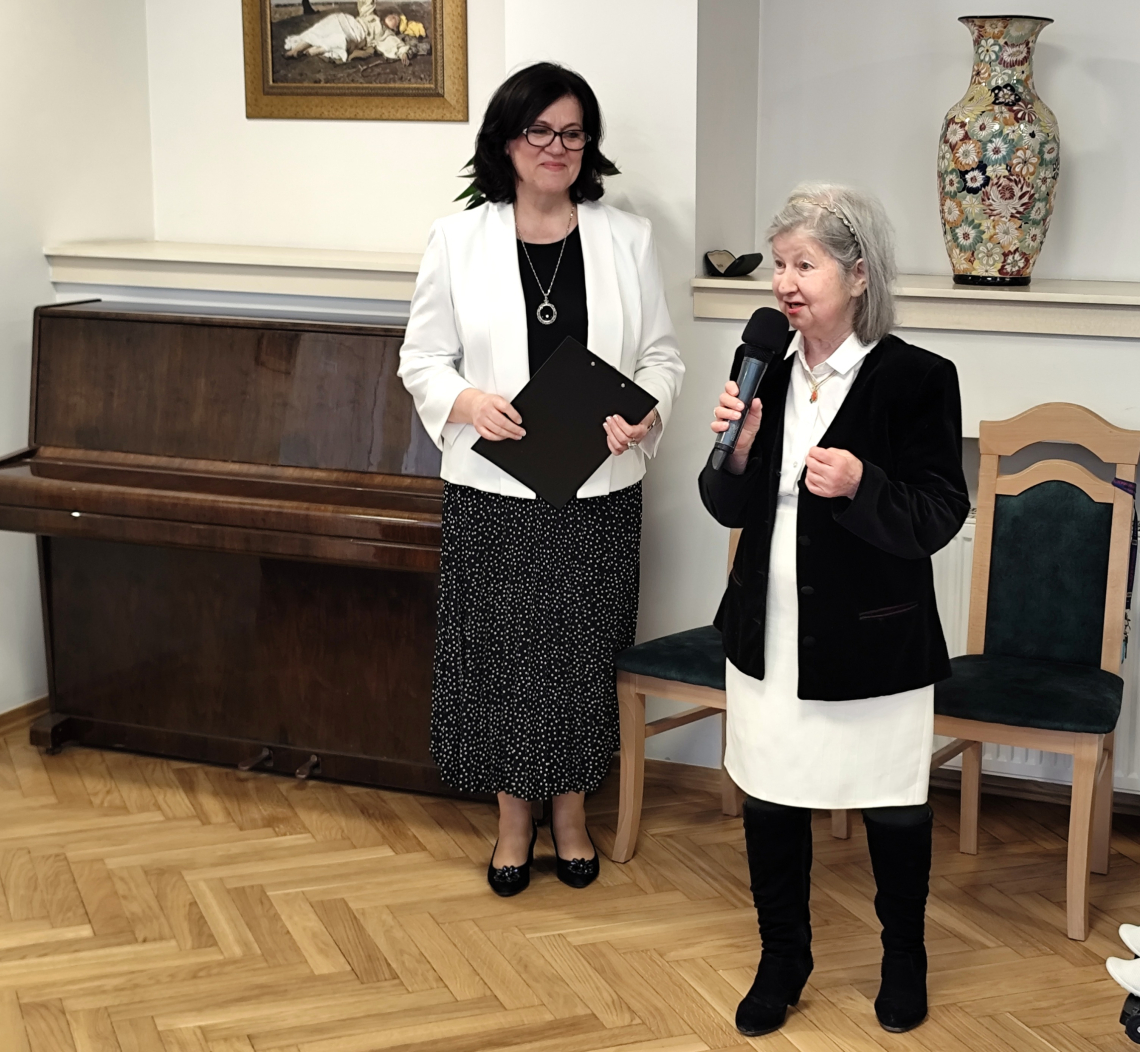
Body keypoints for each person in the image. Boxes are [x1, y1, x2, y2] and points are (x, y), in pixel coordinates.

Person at [399, 62, 683, 897]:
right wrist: (467, 401)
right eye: (540, 131)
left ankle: (572, 814)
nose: (556, 147)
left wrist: (646, 414)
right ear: (507, 140)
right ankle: (513, 822)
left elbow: (662, 358)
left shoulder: (627, 238)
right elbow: (422, 358)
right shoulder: (458, 239)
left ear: (588, 145)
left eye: (573, 132)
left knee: (583, 657)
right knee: (503, 662)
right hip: (495, 490)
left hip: (599, 488)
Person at [699, 184, 969, 1036]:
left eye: (804, 265)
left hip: (874, 642)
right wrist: (736, 453)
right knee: (771, 801)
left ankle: (904, 958)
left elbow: (939, 514)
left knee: (893, 806)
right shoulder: (765, 371)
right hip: (769, 634)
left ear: (857, 276)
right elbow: (723, 504)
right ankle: (783, 958)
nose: (785, 282)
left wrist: (863, 485)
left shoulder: (918, 379)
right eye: (778, 264)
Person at [284, 1, 412, 64]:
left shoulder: (385, 33)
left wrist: (402, 53)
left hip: (357, 34)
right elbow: (368, 3)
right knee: (324, 27)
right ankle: (295, 50)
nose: (393, 18)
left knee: (341, 39)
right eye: (393, 16)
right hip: (348, 21)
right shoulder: (372, 15)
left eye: (396, 21)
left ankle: (313, 50)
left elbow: (394, 43)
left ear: (394, 29)